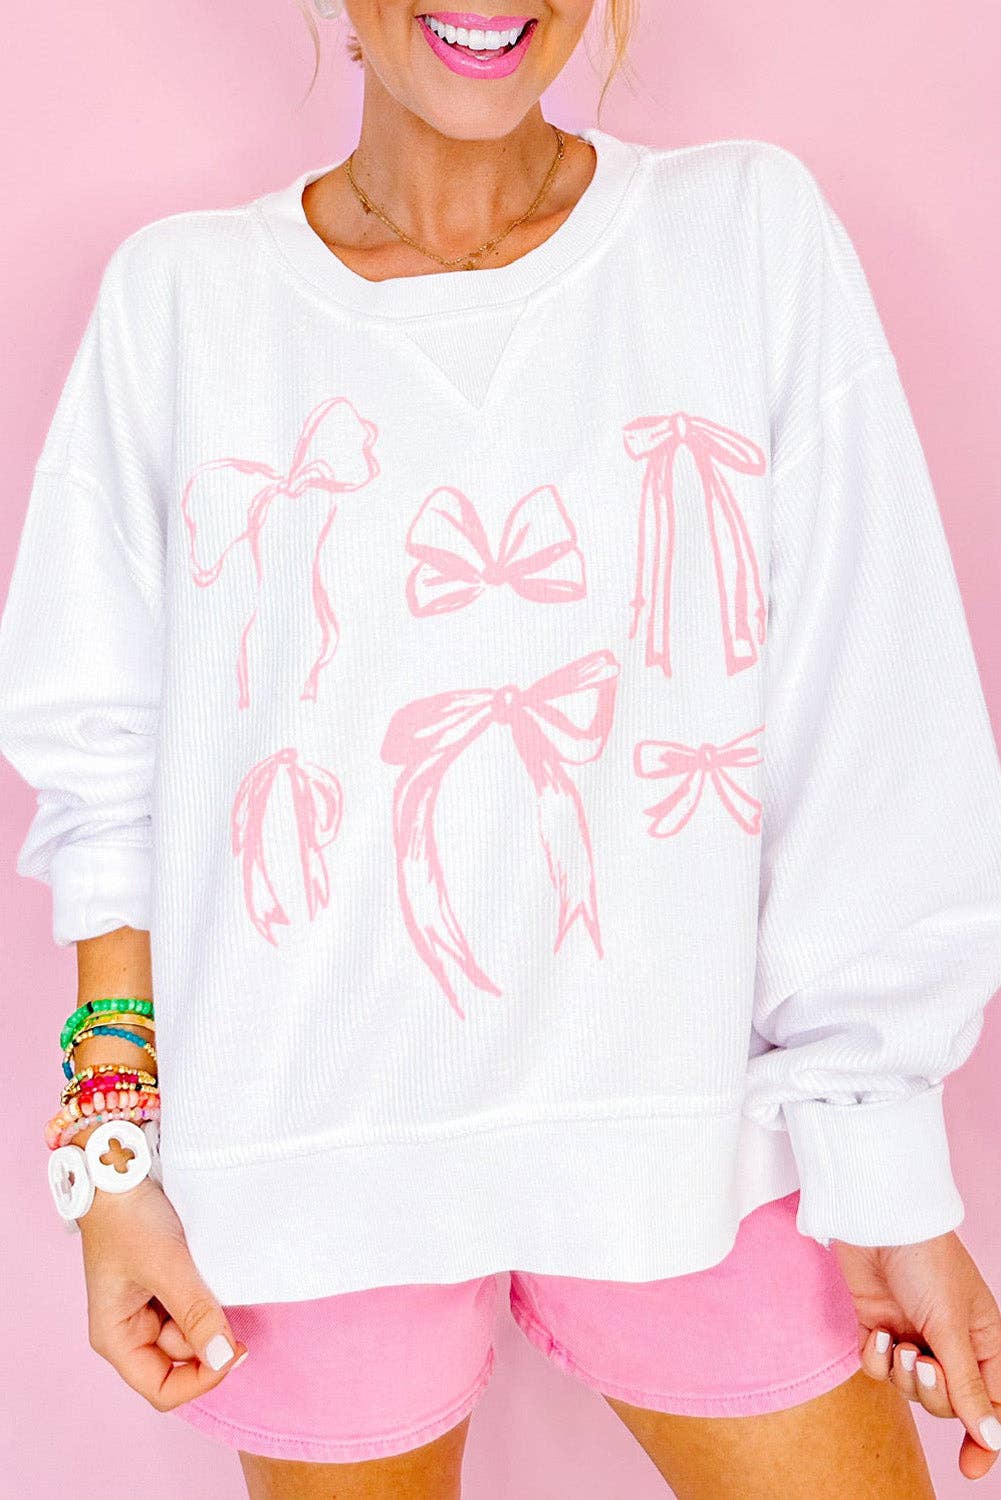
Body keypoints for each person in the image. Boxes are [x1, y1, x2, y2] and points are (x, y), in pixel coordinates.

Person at [3, 2, 1001, 1496]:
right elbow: (108, 783)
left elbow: (866, 721)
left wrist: (889, 1179)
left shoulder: (740, 235)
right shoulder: (183, 301)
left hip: (696, 1144)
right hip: (300, 1168)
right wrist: (114, 1172)